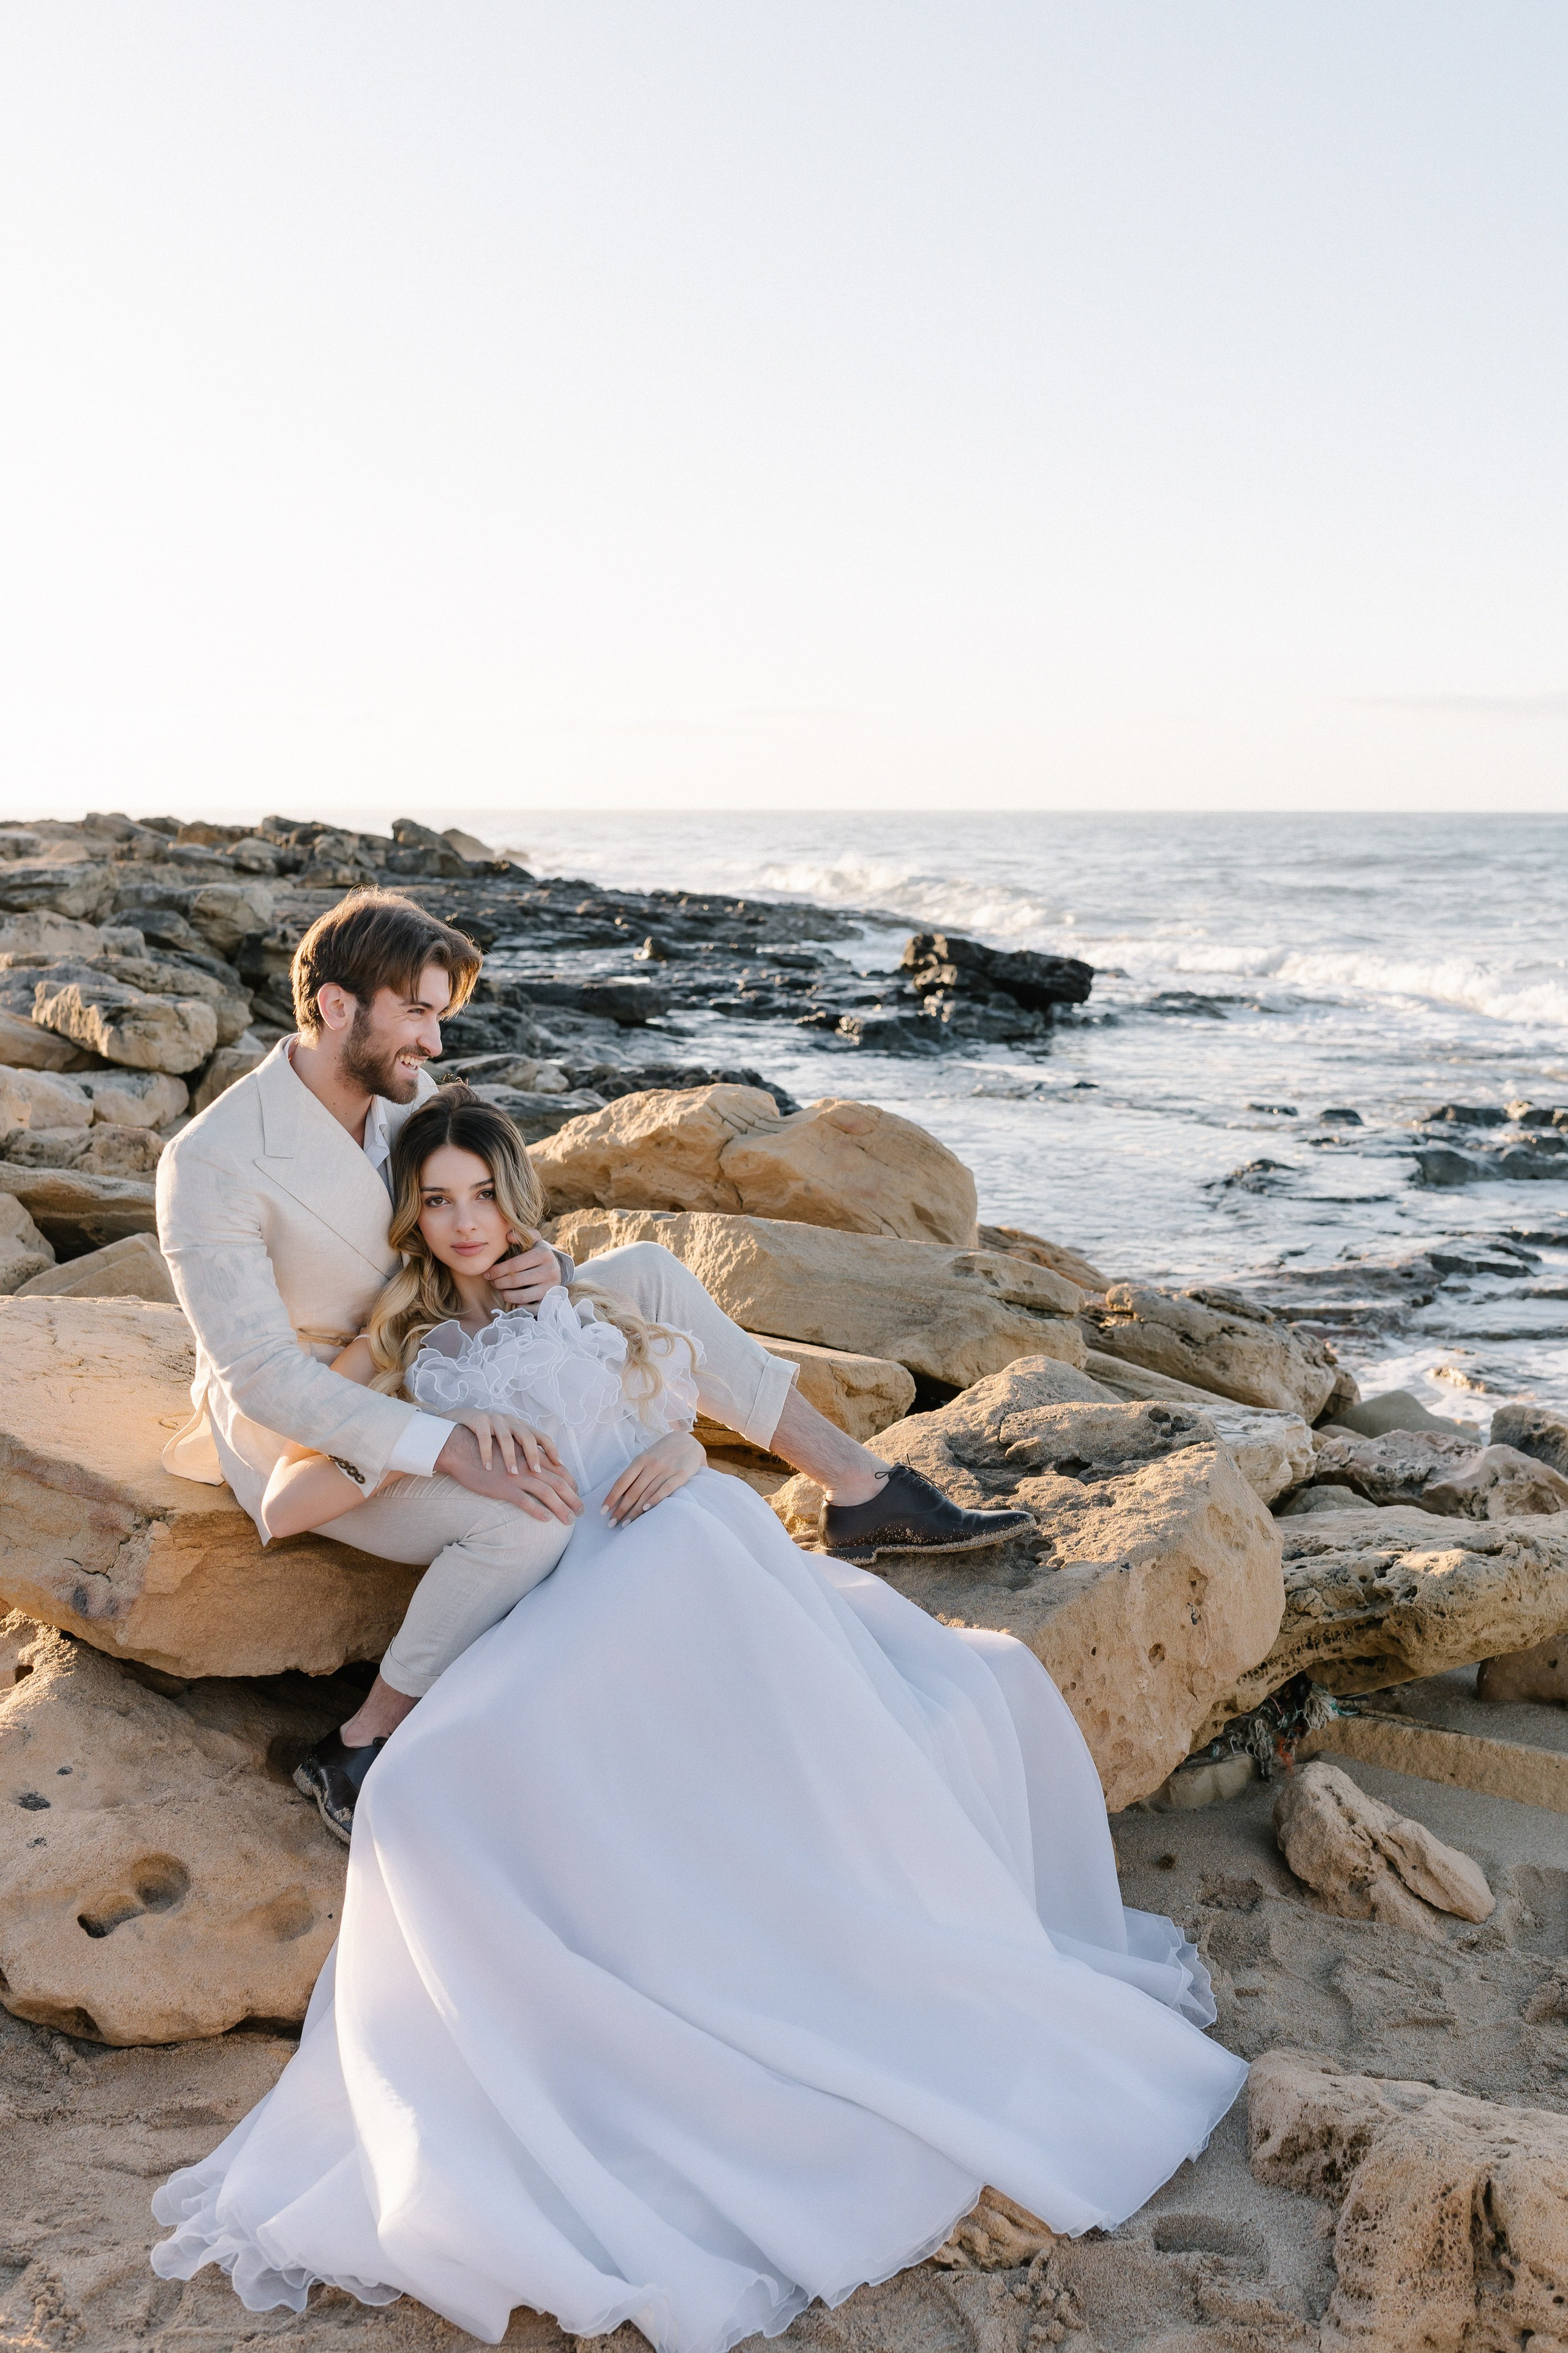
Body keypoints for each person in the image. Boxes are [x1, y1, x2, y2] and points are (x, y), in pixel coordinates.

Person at [149, 1097, 1247, 2353]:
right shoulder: (393, 1349)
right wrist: (432, 1444)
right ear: (411, 1215)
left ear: (515, 1197)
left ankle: (850, 1542)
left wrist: (681, 1448)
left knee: (809, 1723)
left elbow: (651, 1409)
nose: (463, 1224)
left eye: (482, 1196)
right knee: (424, 1794)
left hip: (687, 1542)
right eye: (437, 1202)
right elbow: (291, 1493)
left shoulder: (586, 1292)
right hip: (574, 1593)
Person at [155, 889, 1033, 1839]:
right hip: (336, 1410)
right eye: (419, 1015)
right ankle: (359, 1746)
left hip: (443, 1336)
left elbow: (463, 1216)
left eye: (441, 1018)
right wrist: (442, 1444)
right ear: (335, 1006)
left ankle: (860, 1489)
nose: (437, 1046)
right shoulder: (213, 1162)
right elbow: (265, 1380)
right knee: (527, 1514)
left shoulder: (395, 1102)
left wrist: (547, 1267)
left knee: (648, 1275)